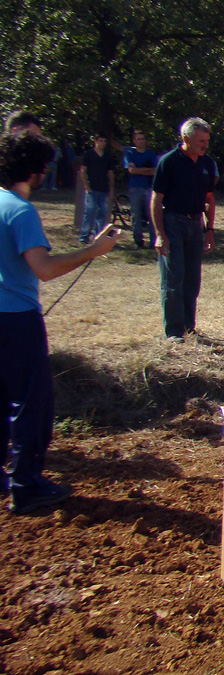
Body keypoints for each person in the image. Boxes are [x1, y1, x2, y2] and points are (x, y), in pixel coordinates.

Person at [0, 130, 121, 514]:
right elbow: (45, 268)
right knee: (30, 403)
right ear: (37, 170)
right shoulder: (20, 211)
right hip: (17, 319)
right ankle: (27, 485)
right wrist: (96, 249)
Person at [152, 118, 218, 343]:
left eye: (207, 141)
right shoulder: (169, 162)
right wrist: (160, 234)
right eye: (201, 141)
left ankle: (189, 326)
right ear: (186, 139)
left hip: (195, 224)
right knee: (174, 277)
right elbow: (156, 199)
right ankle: (173, 331)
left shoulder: (206, 163)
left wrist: (209, 230)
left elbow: (209, 199)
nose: (204, 145)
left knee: (192, 278)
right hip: (173, 222)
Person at [124, 128, 158, 248]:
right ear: (134, 141)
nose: (141, 141)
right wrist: (145, 170)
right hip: (135, 188)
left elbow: (155, 171)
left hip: (149, 188)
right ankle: (138, 241)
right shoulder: (130, 153)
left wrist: (140, 170)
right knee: (136, 215)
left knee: (152, 214)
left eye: (142, 139)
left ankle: (154, 241)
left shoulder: (151, 154)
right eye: (138, 139)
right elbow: (132, 170)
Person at [78, 133, 116, 243]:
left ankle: (98, 237)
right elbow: (83, 171)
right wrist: (86, 186)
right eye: (100, 141)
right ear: (95, 141)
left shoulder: (107, 156)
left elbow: (110, 173)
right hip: (92, 188)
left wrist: (111, 188)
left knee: (102, 214)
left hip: (104, 188)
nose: (102, 143)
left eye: (104, 141)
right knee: (89, 213)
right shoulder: (89, 154)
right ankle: (84, 237)